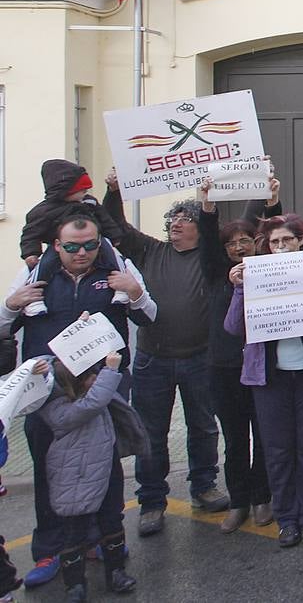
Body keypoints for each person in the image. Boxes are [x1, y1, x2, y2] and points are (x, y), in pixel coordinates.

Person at [2, 211, 154, 589]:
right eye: (71, 247)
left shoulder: (117, 269)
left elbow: (150, 316)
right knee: (50, 469)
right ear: (57, 245)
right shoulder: (37, 274)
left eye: (90, 245)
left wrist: (134, 292)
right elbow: (3, 326)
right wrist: (11, 304)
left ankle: (103, 542)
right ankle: (50, 550)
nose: (81, 253)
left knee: (106, 466)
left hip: (104, 390)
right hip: (47, 394)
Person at [102, 174, 230, 535]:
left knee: (203, 426)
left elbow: (223, 224)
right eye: (173, 219)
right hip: (152, 359)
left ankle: (204, 485)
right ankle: (152, 500)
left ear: (198, 229)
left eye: (185, 220)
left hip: (199, 357)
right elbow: (116, 227)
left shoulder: (209, 258)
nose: (176, 224)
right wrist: (114, 190)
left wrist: (209, 204)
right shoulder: (150, 250)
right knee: (150, 431)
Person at [225, 216, 303, 547]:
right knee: (277, 449)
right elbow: (234, 327)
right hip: (270, 377)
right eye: (274, 242)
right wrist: (239, 290)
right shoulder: (255, 273)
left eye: (287, 240)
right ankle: (286, 518)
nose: (280, 247)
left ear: (300, 240)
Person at [195, 183, 273, 533]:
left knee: (265, 435)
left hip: (259, 365)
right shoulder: (215, 273)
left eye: (245, 241)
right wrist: (207, 207)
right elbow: (208, 243)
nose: (238, 247)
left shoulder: (267, 269)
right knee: (235, 440)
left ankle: (262, 498)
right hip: (223, 369)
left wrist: (272, 200)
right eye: (232, 243)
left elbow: (273, 231)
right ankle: (238, 501)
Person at [39, 351, 137, 600]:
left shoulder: (88, 394)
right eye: (88, 376)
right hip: (76, 477)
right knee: (75, 531)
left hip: (105, 468)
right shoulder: (59, 409)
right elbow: (94, 402)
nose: (94, 378)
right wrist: (110, 371)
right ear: (71, 384)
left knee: (112, 520)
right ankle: (75, 584)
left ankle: (116, 572)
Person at [18, 160, 122, 266]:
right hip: (60, 249)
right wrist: (31, 253)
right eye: (82, 191)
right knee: (46, 266)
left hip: (94, 244)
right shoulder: (44, 212)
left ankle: (118, 273)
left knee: (112, 258)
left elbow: (105, 219)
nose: (85, 193)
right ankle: (39, 281)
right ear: (66, 191)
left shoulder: (89, 202)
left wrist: (114, 236)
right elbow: (31, 234)